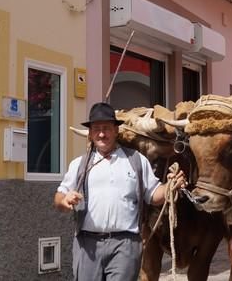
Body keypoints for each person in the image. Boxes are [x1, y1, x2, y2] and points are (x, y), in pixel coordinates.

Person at [54, 102, 187, 281]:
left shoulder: (136, 161)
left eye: (107, 128)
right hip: (87, 244)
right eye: (97, 129)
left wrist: (171, 186)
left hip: (125, 244)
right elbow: (59, 197)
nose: (102, 134)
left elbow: (154, 195)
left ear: (116, 131)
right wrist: (64, 200)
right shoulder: (79, 165)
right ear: (91, 133)